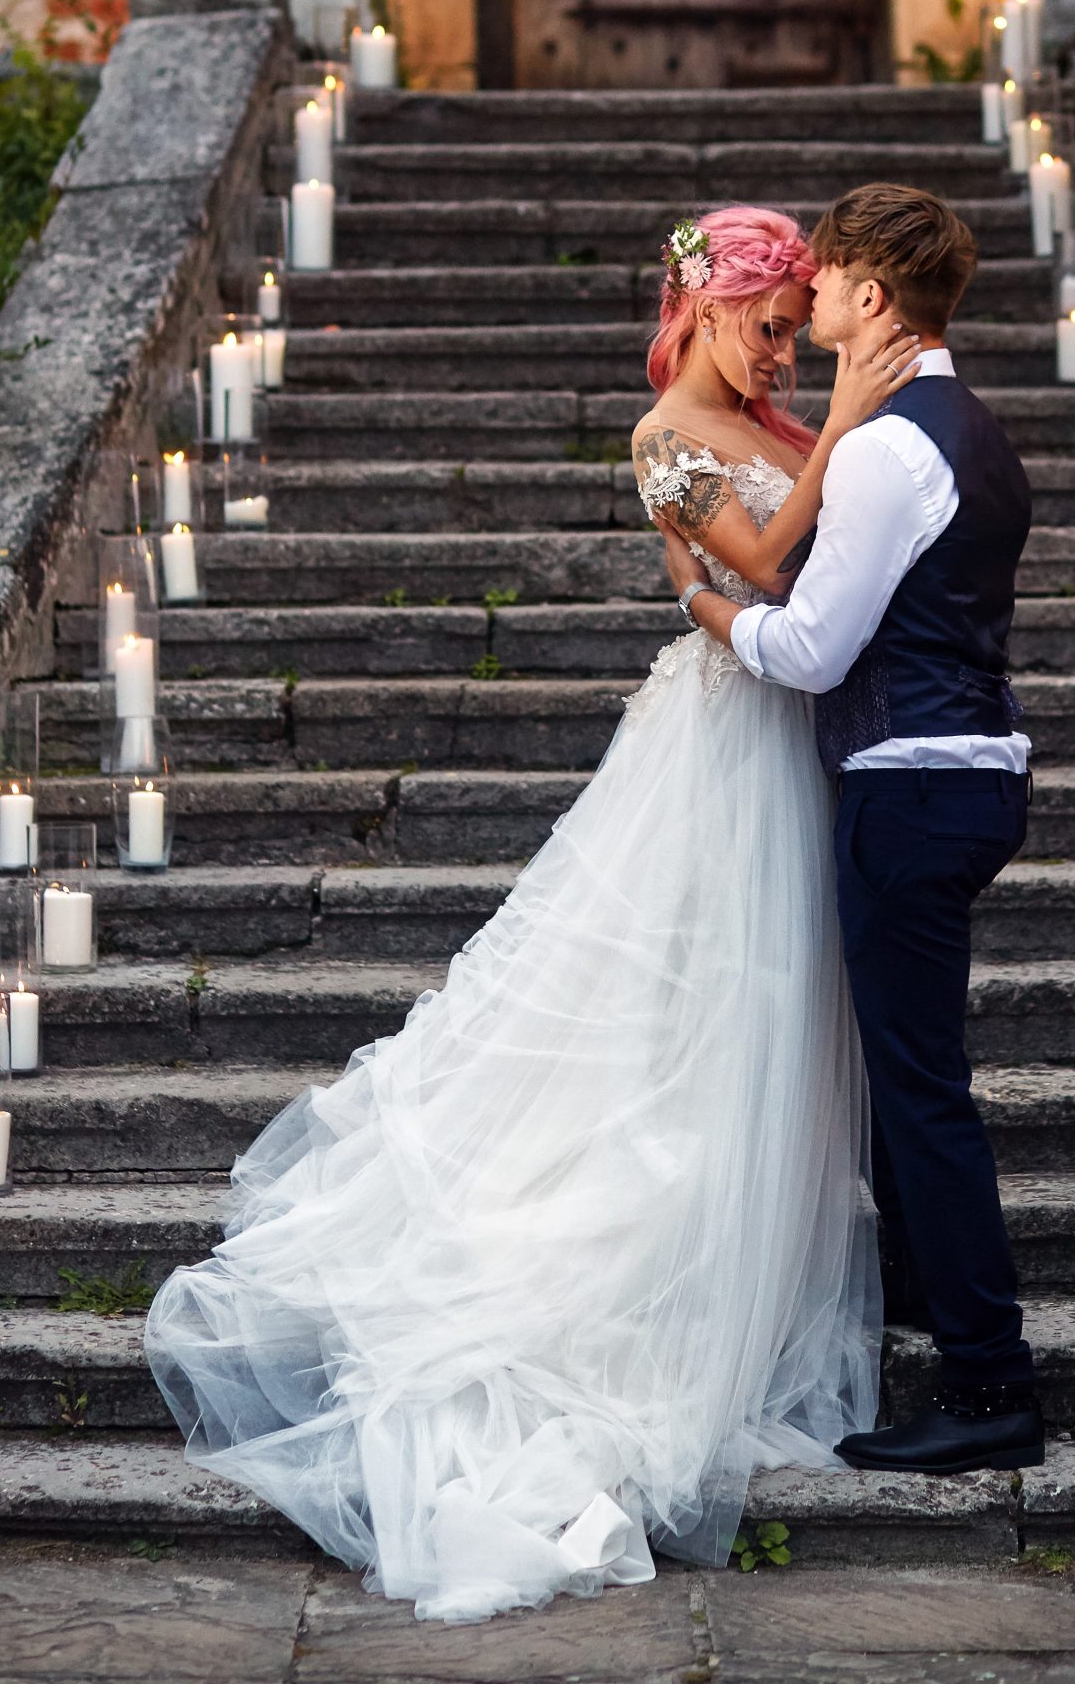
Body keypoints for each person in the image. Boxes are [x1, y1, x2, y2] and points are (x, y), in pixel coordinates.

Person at [145, 205, 918, 1624]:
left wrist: (852, 431)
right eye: (763, 321)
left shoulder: (797, 427)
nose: (781, 348)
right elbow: (752, 565)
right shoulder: (662, 437)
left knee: (769, 1005)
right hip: (722, 744)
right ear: (703, 310)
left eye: (791, 326)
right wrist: (851, 428)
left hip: (794, 731)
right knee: (689, 1005)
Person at [659, 183, 1043, 1475]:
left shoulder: (882, 446)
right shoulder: (977, 428)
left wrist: (706, 617)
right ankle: (926, 1293)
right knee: (902, 1082)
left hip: (911, 782)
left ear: (870, 300)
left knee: (922, 1094)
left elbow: (815, 647)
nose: (809, 297)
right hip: (973, 769)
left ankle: (992, 1387)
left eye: (825, 283)